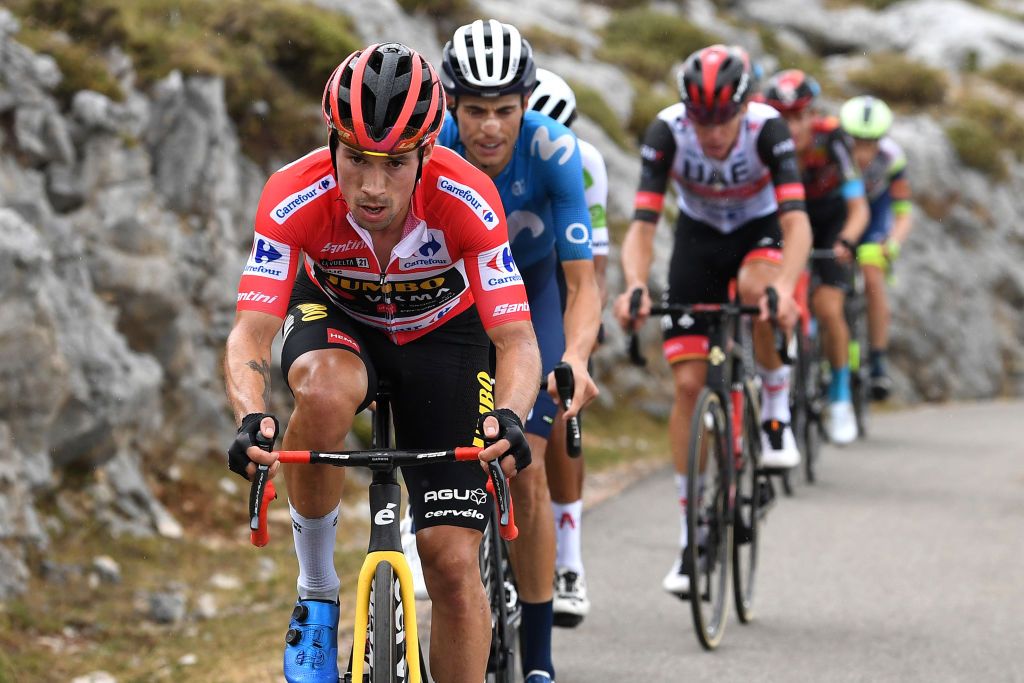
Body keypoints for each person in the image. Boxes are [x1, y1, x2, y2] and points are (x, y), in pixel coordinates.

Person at [223, 42, 540, 683]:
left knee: (451, 565)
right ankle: (316, 591)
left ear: (427, 151)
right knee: (321, 392)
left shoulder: (469, 197)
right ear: (331, 143)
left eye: (394, 164)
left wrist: (508, 416)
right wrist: (251, 416)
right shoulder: (292, 194)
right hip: (342, 324)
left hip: (448, 340)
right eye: (355, 160)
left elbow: (516, 339)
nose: (371, 186)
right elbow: (250, 333)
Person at [613, 44, 811, 596]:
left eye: (724, 119)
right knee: (688, 385)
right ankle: (690, 532)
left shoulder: (770, 131)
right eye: (703, 120)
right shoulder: (667, 132)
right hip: (699, 241)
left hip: (761, 232)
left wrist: (784, 289)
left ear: (744, 109)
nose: (714, 133)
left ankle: (773, 409)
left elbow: (798, 224)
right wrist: (634, 282)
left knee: (757, 291)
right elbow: (645, 224)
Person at [438, 19, 602, 683]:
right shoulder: (430, 146)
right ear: (452, 105)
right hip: (452, 297)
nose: (490, 128)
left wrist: (580, 357)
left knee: (526, 469)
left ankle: (538, 658)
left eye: (505, 110)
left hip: (531, 299)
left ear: (525, 104)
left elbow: (581, 283)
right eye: (475, 111)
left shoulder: (556, 152)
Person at [527, 67, 609, 627]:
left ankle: (570, 561)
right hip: (496, 269)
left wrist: (580, 346)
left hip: (554, 277)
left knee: (557, 412)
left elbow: (591, 274)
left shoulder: (587, 165)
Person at [764, 69, 869, 444]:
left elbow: (858, 207)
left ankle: (839, 399)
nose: (792, 127)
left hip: (830, 224)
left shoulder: (833, 137)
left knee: (827, 308)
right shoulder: (766, 137)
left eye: (799, 117)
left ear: (813, 115)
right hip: (786, 221)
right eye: (783, 118)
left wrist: (847, 240)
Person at [839, 95, 913, 400]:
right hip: (842, 216)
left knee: (872, 275)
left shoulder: (893, 158)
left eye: (870, 143)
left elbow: (904, 212)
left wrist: (892, 243)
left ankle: (879, 361)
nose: (862, 152)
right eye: (856, 142)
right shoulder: (834, 151)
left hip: (875, 221)